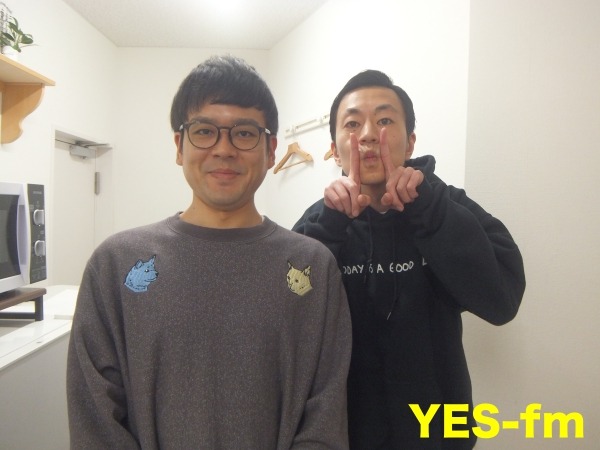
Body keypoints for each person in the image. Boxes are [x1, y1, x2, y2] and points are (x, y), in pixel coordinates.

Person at [67, 55, 352, 449]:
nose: (223, 149)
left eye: (244, 133)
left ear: (271, 150)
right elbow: (95, 421)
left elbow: (325, 415)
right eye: (204, 131)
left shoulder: (312, 267)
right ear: (179, 146)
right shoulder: (116, 264)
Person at [293, 70, 526, 449]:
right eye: (352, 124)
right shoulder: (318, 223)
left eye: (385, 120)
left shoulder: (446, 205)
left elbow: (502, 301)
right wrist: (329, 229)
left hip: (441, 435)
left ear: (410, 142)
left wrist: (430, 211)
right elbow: (285, 323)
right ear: (335, 149)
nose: (369, 134)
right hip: (344, 437)